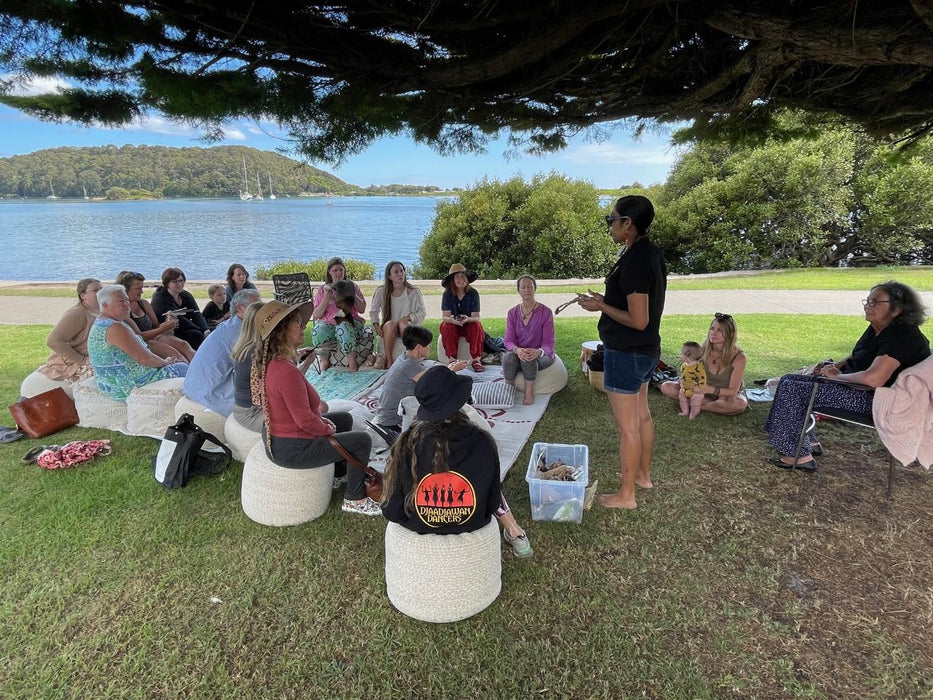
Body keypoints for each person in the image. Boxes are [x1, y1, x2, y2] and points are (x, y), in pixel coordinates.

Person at [765, 281, 929, 471]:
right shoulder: (879, 328)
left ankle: (798, 456)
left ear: (897, 309)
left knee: (794, 390)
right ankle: (807, 443)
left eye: (875, 302)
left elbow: (873, 379)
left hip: (878, 401)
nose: (868, 305)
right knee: (788, 380)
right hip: (859, 389)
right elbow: (858, 355)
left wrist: (836, 377)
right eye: (867, 301)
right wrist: (834, 366)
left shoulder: (902, 337)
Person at [381, 365, 533, 557]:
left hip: (418, 525)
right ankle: (514, 531)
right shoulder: (483, 442)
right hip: (473, 522)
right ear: (461, 400)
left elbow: (392, 510)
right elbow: (492, 502)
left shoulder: (406, 444)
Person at [576, 195, 667, 510]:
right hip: (644, 352)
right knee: (642, 416)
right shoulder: (646, 252)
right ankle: (642, 476)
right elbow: (635, 306)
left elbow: (638, 320)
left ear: (628, 223)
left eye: (611, 219)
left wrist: (600, 305)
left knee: (629, 426)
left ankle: (627, 495)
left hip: (627, 353)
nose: (609, 225)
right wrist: (604, 299)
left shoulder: (636, 260)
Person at [252, 300, 381, 516]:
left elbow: (297, 404)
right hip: (293, 448)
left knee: (344, 419)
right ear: (283, 331)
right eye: (297, 323)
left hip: (283, 440)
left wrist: (324, 422)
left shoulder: (275, 363)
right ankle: (355, 499)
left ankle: (338, 474)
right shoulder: (285, 372)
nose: (303, 327)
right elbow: (305, 421)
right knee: (361, 440)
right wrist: (325, 428)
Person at [87, 285, 188, 402]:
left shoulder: (101, 323)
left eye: (127, 300)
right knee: (182, 367)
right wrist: (166, 362)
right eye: (121, 301)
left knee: (177, 360)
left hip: (112, 381)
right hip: (127, 385)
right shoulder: (114, 327)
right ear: (105, 305)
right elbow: (145, 358)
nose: (127, 304)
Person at [374, 326, 467, 440]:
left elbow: (428, 375)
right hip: (391, 422)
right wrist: (452, 370)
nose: (429, 347)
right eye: (427, 345)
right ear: (419, 347)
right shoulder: (409, 366)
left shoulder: (403, 358)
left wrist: (448, 368)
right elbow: (434, 383)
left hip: (385, 415)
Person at [183, 288, 261, 416]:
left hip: (197, 387)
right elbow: (252, 369)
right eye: (255, 307)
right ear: (240, 309)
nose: (260, 311)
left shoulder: (234, 326)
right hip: (209, 393)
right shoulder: (236, 332)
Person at [660, 313, 748, 415]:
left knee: (739, 404)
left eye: (719, 330)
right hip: (701, 391)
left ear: (730, 334)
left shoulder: (739, 357)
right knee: (667, 387)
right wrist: (684, 381)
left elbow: (732, 391)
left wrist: (711, 390)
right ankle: (712, 405)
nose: (713, 333)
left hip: (724, 394)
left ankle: (698, 405)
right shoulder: (702, 350)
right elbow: (690, 370)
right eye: (712, 329)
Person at [114, 270, 195, 362]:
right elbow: (138, 337)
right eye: (138, 288)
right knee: (174, 354)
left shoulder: (143, 303)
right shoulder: (123, 310)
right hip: (140, 343)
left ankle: (205, 369)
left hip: (155, 337)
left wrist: (167, 324)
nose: (142, 291)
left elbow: (155, 325)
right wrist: (161, 329)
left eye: (142, 287)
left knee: (184, 345)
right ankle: (189, 372)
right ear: (125, 290)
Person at [503, 274, 556, 405]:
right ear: (518, 290)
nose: (527, 289)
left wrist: (538, 352)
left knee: (529, 359)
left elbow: (549, 343)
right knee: (508, 358)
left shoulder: (546, 312)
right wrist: (517, 350)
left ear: (535, 288)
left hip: (542, 354)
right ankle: (508, 389)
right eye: (523, 287)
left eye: (529, 286)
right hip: (519, 352)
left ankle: (529, 392)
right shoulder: (512, 313)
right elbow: (508, 340)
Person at [37, 277, 102, 384]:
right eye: (95, 290)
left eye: (101, 289)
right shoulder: (77, 313)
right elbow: (53, 341)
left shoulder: (100, 310)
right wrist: (82, 360)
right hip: (71, 365)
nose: (100, 293)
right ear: (83, 296)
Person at [310, 256, 367, 371]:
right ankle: (324, 360)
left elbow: (362, 309)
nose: (338, 273)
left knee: (343, 325)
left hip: (349, 323)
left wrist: (352, 294)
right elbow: (316, 315)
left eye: (341, 270)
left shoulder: (352, 286)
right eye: (335, 270)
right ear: (329, 272)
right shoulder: (323, 289)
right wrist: (326, 299)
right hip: (329, 323)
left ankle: (352, 362)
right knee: (318, 330)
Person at [369, 260, 427, 369]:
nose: (400, 274)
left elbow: (422, 313)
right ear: (389, 276)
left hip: (407, 328)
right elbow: (374, 311)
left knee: (403, 325)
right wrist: (376, 325)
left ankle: (408, 359)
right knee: (390, 324)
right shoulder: (381, 291)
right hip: (389, 329)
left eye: (402, 271)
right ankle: (389, 361)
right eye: (396, 272)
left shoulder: (414, 291)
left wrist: (408, 317)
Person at [440, 263, 485, 372]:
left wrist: (468, 319)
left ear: (467, 279)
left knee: (477, 326)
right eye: (457, 277)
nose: (460, 279)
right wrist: (452, 320)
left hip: (468, 323)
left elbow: (476, 317)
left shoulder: (473, 293)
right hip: (453, 324)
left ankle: (476, 359)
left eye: (463, 276)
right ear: (453, 280)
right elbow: (445, 317)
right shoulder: (447, 294)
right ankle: (452, 360)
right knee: (446, 326)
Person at [150, 268, 210, 349]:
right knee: (197, 335)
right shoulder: (160, 298)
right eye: (175, 281)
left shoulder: (186, 295)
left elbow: (196, 313)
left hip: (186, 327)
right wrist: (199, 330)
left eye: (181, 281)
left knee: (213, 330)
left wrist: (206, 330)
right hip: (170, 330)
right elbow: (179, 319)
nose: (179, 284)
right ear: (167, 283)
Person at [229, 301, 267, 432]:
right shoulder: (256, 354)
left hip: (248, 408)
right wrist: (306, 362)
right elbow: (282, 386)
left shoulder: (246, 347)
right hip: (251, 413)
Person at [677, 341, 707, 419]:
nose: (680, 355)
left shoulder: (698, 368)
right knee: (682, 399)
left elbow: (702, 378)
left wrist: (699, 388)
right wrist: (681, 382)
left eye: (682, 353)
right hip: (685, 388)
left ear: (688, 355)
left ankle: (693, 414)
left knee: (695, 404)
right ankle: (685, 411)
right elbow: (683, 375)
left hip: (696, 391)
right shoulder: (684, 365)